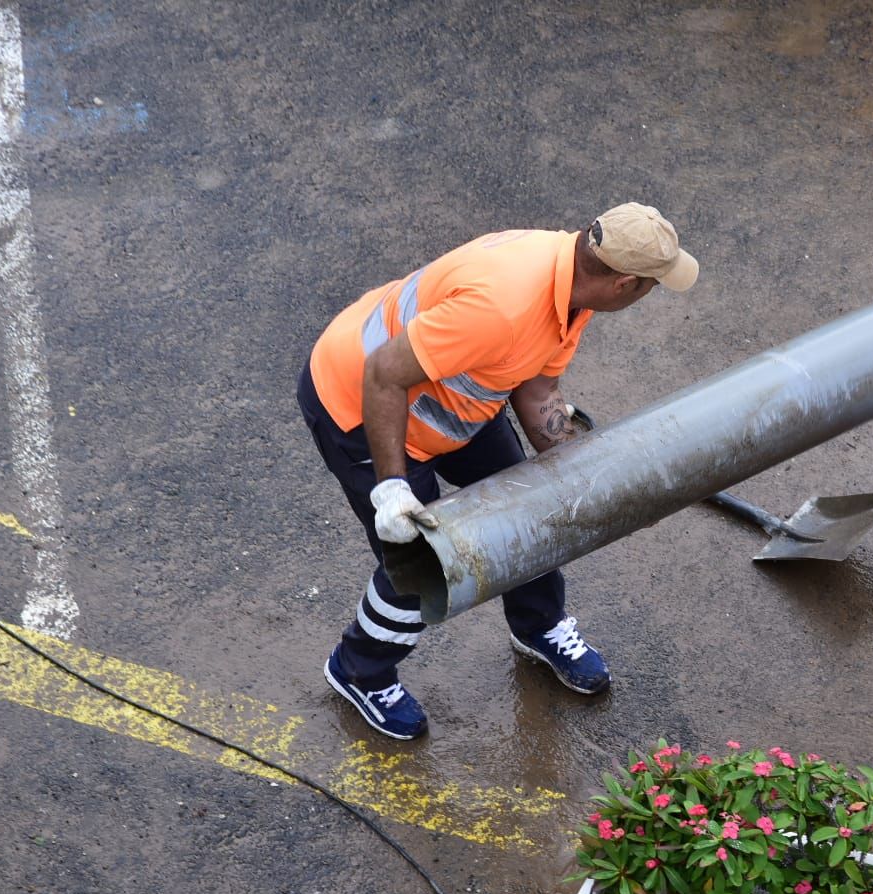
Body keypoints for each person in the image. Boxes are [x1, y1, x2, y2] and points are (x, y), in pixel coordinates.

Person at [298, 203, 698, 740]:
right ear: (625, 284)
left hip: (451, 398)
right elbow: (384, 373)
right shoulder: (504, 305)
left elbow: (536, 388)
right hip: (362, 403)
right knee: (419, 563)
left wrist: (588, 477)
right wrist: (392, 490)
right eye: (652, 286)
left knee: (533, 508)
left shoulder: (571, 286)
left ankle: (538, 626)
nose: (648, 295)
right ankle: (358, 671)